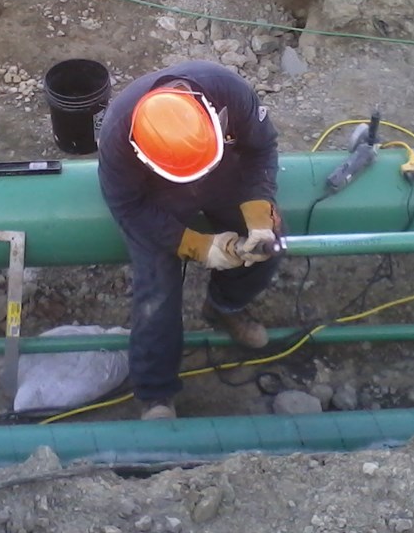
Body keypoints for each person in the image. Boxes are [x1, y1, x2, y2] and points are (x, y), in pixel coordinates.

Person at [97, 60, 282, 420]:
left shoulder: (229, 91)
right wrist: (198, 246)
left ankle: (224, 306)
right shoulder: (118, 135)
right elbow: (128, 207)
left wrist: (259, 218)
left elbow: (262, 150)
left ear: (211, 116)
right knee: (157, 291)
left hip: (224, 173)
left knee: (267, 245)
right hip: (154, 196)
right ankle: (155, 393)